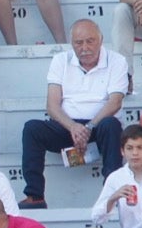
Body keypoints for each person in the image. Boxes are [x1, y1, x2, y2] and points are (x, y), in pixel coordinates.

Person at [20, 19, 127, 209]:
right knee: (32, 128)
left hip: (99, 125)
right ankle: (35, 196)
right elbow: (52, 105)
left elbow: (115, 102)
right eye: (79, 43)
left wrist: (88, 127)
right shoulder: (60, 60)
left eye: (90, 41)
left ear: (101, 40)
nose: (85, 47)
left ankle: (112, 194)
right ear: (72, 44)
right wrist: (73, 127)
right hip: (68, 126)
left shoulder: (117, 60)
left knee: (112, 125)